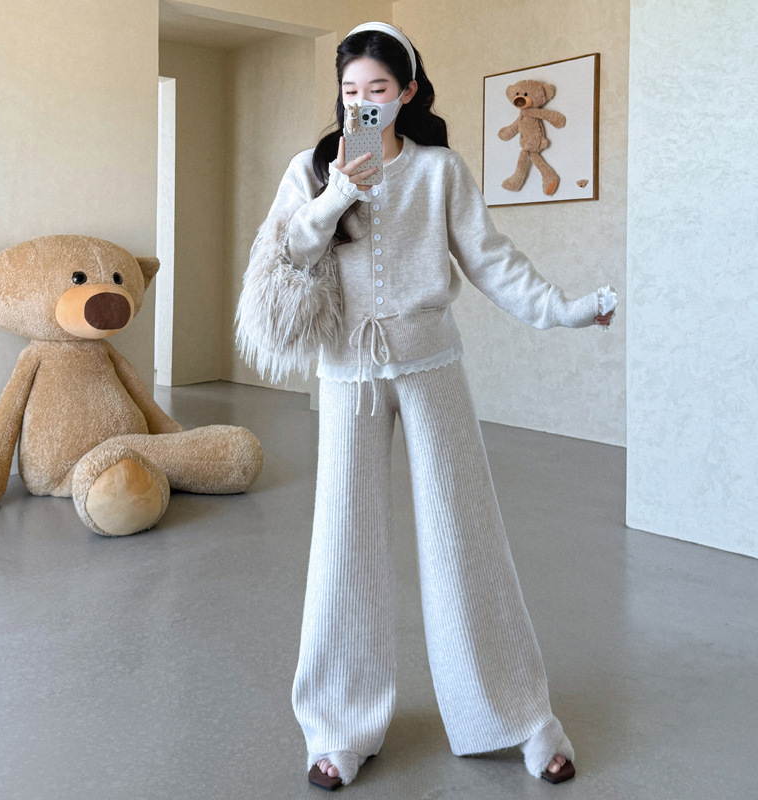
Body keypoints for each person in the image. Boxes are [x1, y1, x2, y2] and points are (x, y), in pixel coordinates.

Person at [236, 21, 616, 791]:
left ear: (407, 91)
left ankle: (519, 718)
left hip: (432, 365)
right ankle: (338, 727)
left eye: (377, 88)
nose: (363, 101)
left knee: (465, 538)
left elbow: (492, 261)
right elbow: (288, 253)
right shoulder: (312, 166)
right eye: (350, 90)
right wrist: (339, 192)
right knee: (343, 547)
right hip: (347, 375)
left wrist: (563, 310)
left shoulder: (441, 169)